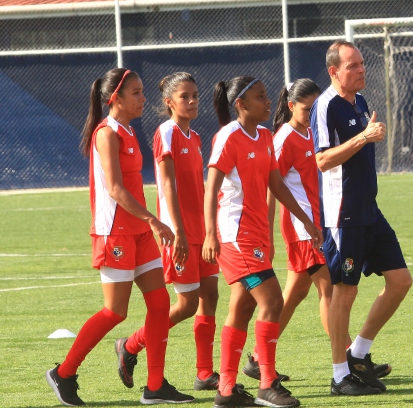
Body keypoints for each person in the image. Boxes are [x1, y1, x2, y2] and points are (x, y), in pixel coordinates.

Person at [45, 68, 193, 406]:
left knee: (160, 304)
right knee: (115, 312)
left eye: (142, 92)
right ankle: (64, 373)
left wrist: (147, 223)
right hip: (115, 233)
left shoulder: (127, 130)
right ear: (116, 98)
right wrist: (155, 220)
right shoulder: (106, 134)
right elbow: (114, 189)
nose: (143, 99)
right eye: (137, 93)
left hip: (138, 232)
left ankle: (155, 386)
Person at [204, 75, 322, 408]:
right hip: (234, 236)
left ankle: (226, 389)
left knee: (242, 307)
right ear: (240, 104)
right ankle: (267, 384)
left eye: (266, 95)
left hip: (254, 236)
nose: (268, 101)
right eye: (259, 97)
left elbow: (277, 185)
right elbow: (211, 187)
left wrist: (305, 219)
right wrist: (211, 234)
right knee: (272, 300)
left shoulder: (266, 136)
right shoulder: (229, 137)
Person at [311, 40, 413, 396]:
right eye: (352, 65)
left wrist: (369, 137)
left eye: (361, 64)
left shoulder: (361, 102)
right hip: (343, 215)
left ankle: (358, 353)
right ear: (333, 71)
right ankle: (340, 375)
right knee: (345, 291)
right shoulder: (325, 106)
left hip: (369, 210)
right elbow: (322, 161)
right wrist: (364, 137)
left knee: (400, 281)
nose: (360, 70)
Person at [115, 72, 221, 392]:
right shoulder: (167, 132)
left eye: (195, 96)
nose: (191, 102)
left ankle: (204, 374)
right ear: (168, 102)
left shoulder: (196, 137)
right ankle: (131, 346)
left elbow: (197, 187)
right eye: (184, 96)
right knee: (187, 304)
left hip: (201, 231)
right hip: (180, 233)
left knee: (210, 296)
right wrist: (178, 231)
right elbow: (167, 185)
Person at [239, 78, 329, 381]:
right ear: (291, 106)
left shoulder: (313, 133)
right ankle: (349, 360)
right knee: (329, 288)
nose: (312, 114)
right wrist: (266, 234)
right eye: (306, 109)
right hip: (302, 229)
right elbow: (270, 186)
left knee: (294, 293)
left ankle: (256, 357)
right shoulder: (283, 139)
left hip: (317, 225)